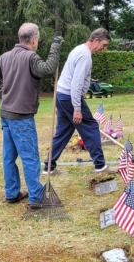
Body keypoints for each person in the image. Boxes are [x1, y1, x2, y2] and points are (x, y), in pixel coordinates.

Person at [0, 23, 62, 208]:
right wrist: (56, 46)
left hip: (6, 114)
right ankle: (36, 198)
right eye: (38, 39)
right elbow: (48, 69)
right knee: (30, 157)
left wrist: (3, 89)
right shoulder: (30, 57)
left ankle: (11, 193)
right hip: (21, 117)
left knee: (9, 156)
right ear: (34, 40)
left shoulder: (6, 56)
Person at [44, 27, 111, 174]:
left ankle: (49, 167)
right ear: (95, 41)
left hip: (61, 95)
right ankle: (100, 166)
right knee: (91, 127)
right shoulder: (84, 56)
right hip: (69, 97)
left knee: (63, 132)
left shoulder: (79, 49)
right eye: (103, 45)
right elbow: (76, 84)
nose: (103, 49)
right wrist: (77, 108)